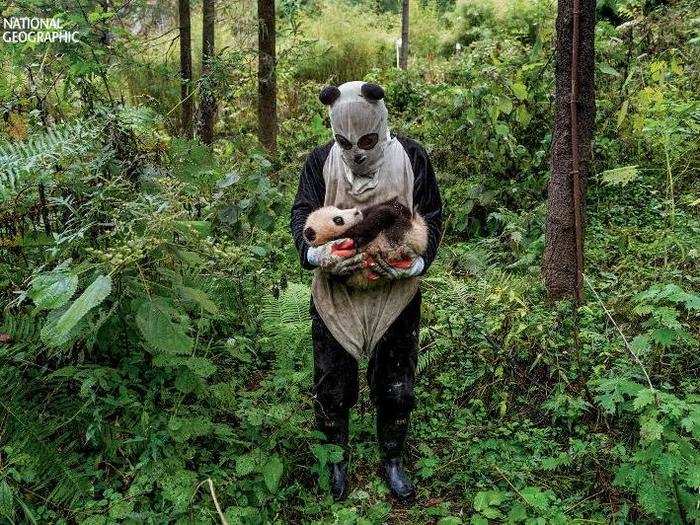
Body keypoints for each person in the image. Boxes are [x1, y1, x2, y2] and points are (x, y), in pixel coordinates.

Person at [290, 81, 442, 502]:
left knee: (397, 385)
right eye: (345, 141)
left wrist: (417, 262)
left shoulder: (412, 157)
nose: (356, 152)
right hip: (335, 295)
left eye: (367, 140)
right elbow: (302, 215)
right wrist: (316, 256)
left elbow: (432, 214)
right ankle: (336, 459)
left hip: (397, 296)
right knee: (331, 384)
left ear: (381, 121)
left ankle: (392, 457)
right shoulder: (320, 161)